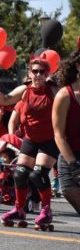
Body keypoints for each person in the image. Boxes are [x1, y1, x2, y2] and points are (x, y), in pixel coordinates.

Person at [0, 57, 59, 229]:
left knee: (37, 175)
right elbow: (4, 99)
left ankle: (47, 210)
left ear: (48, 74)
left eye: (42, 72)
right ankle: (19, 209)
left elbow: (69, 100)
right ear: (30, 73)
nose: (38, 75)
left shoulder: (53, 90)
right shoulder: (25, 91)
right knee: (19, 174)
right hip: (30, 139)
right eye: (35, 71)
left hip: (49, 140)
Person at [53, 49, 80, 215]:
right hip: (70, 157)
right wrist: (74, 166)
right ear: (78, 66)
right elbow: (59, 135)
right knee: (71, 192)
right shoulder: (64, 96)